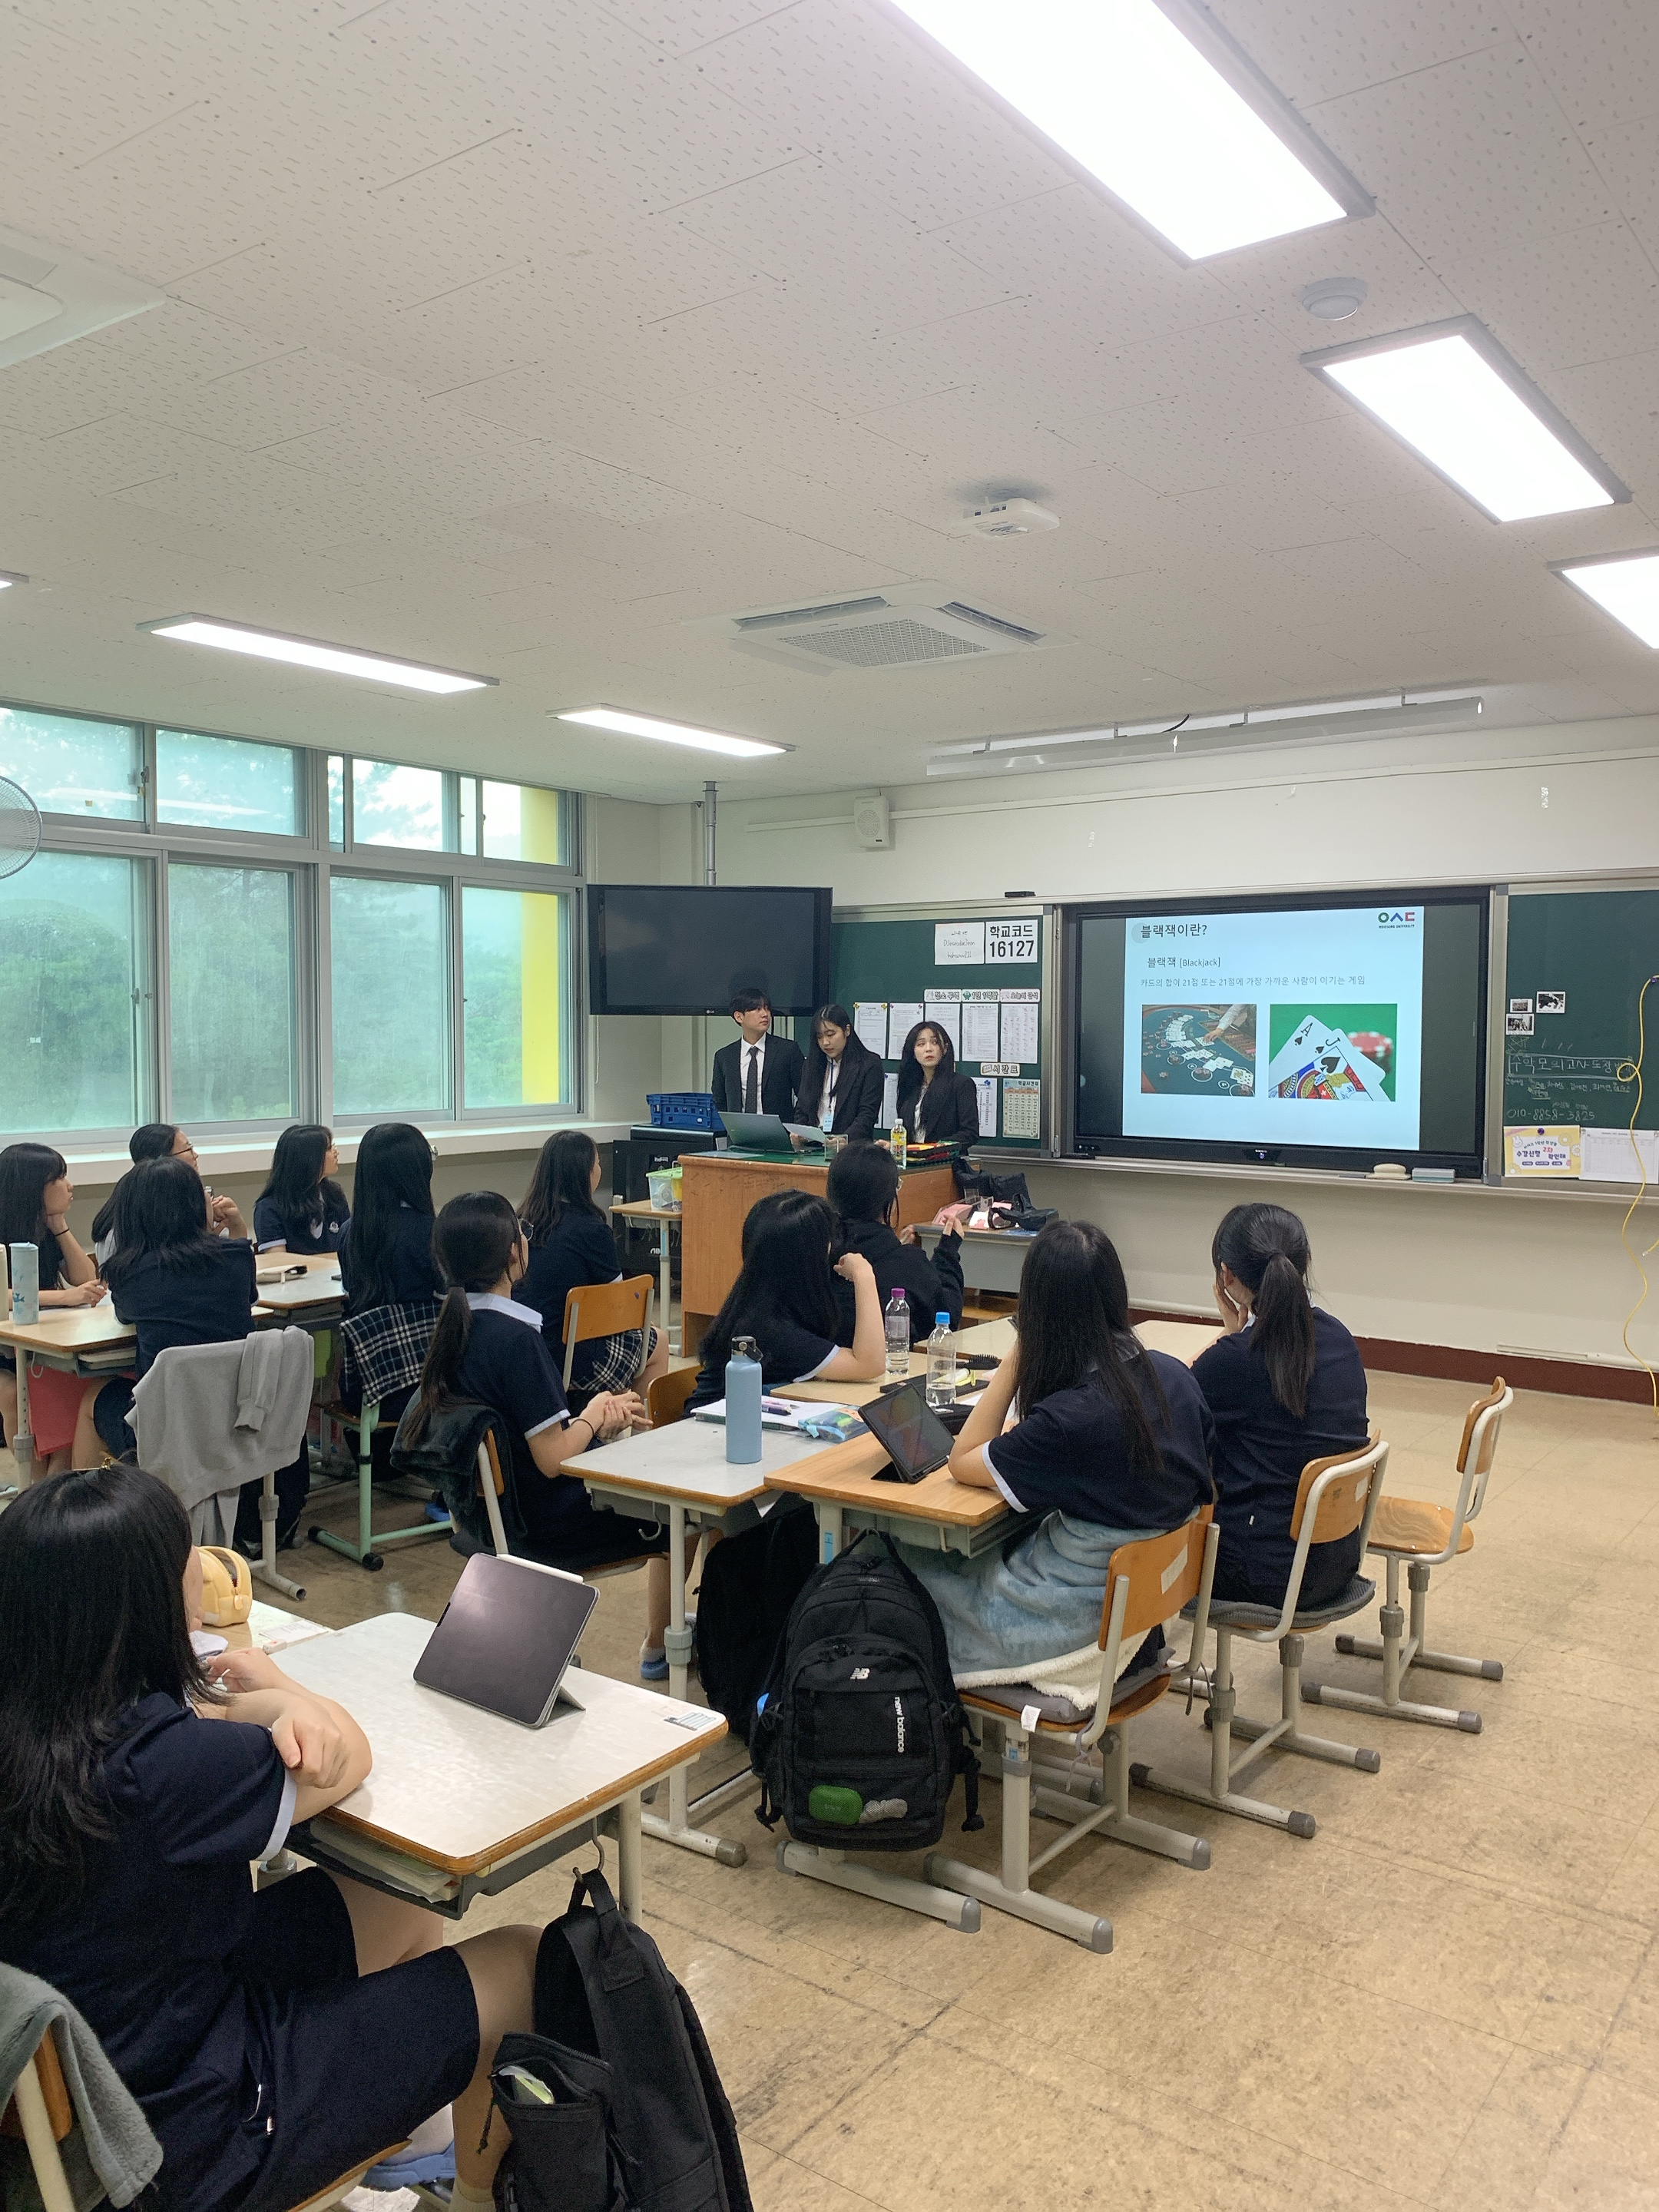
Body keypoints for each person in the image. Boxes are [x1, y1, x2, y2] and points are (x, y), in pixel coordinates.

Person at [0, 1465, 539, 2212]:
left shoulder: (46, 1737)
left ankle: (409, 2150)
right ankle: (477, 2196)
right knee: (523, 1961)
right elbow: (347, 1752)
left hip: (114, 2068)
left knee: (404, 1903)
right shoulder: (168, 1769)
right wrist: (270, 1690)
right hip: (195, 2142)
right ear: (153, 1604)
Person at [896, 1220, 1214, 1692]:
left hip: (1075, 1624)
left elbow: (962, 1459)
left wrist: (1021, 1349)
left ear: (1035, 1307)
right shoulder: (1174, 1377)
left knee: (900, 1565)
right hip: (1141, 1603)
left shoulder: (1068, 1421)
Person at [403, 1192, 674, 1673]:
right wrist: (594, 1414)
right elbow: (553, 1458)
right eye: (520, 1233)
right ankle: (664, 1646)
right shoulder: (515, 1341)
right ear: (513, 1253)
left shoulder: (456, 1330)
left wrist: (592, 1417)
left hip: (490, 1520)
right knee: (682, 1515)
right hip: (550, 1522)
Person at [81, 1156, 310, 1548]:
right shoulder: (237, 1259)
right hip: (241, 1418)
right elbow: (247, 1295)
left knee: (91, 1398)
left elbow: (125, 1314)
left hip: (172, 1429)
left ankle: (90, 1532)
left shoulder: (132, 1274)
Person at [1192, 1203, 1369, 1611]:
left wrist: (1232, 1338)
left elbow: (1175, 1411)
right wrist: (1238, 1335)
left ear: (1227, 1277)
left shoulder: (1233, 1361)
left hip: (1264, 1573)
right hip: (1335, 1563)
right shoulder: (1340, 1338)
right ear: (1305, 1263)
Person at [687, 1188, 885, 1410]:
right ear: (809, 1257)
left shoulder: (763, 1304)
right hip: (711, 1433)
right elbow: (870, 1364)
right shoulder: (770, 1328)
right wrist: (864, 1275)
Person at [515, 1131, 669, 1412]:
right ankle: (638, 1437)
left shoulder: (522, 1221)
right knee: (658, 1341)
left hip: (526, 1352)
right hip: (572, 1360)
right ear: (585, 1173)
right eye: (598, 1163)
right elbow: (621, 1310)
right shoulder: (592, 1229)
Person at [0, 1143, 108, 1479]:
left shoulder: (44, 1230)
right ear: (33, 1189)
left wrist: (60, 1225)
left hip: (37, 1344)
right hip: (6, 1347)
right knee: (15, 1392)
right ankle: (33, 1488)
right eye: (59, 1178)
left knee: (64, 1379)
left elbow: (86, 1279)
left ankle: (55, 1482)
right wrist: (64, 1298)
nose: (69, 1186)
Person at [826, 1141, 970, 1343]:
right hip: (892, 1369)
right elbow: (946, 1318)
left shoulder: (816, 1248)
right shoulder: (907, 1264)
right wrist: (948, 1252)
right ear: (888, 1200)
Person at [91, 1124, 246, 1264]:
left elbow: (234, 1271)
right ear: (163, 1161)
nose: (195, 1155)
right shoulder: (128, 1223)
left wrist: (236, 1227)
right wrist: (204, 1239)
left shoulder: (190, 1202)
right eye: (188, 1149)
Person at [794, 1002, 884, 1143]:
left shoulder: (869, 1064)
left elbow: (867, 1115)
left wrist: (843, 1139)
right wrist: (800, 1132)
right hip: (813, 1147)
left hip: (851, 1149)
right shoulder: (811, 1064)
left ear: (847, 1030)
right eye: (819, 1037)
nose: (825, 1042)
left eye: (831, 1035)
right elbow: (802, 1108)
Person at [710, 988, 804, 1122]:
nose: (765, 1014)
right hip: (740, 1135)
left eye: (767, 1008)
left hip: (779, 1135)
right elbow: (719, 1099)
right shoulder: (724, 1056)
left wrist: (795, 1126)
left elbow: (805, 1095)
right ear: (739, 1016)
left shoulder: (788, 1050)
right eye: (757, 1009)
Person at [253, 1124, 349, 1254]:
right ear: (308, 1158)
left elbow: (349, 1249)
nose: (336, 1152)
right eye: (328, 1149)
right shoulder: (269, 1208)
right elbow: (279, 1262)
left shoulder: (334, 1196)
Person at [894, 1020, 981, 1149]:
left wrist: (933, 1148)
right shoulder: (910, 1087)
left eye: (934, 1042)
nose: (928, 1049)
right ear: (913, 1052)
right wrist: (896, 1146)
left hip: (947, 1163)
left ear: (945, 1048)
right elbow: (908, 1134)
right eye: (921, 1044)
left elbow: (969, 1133)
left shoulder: (961, 1085)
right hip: (913, 1164)